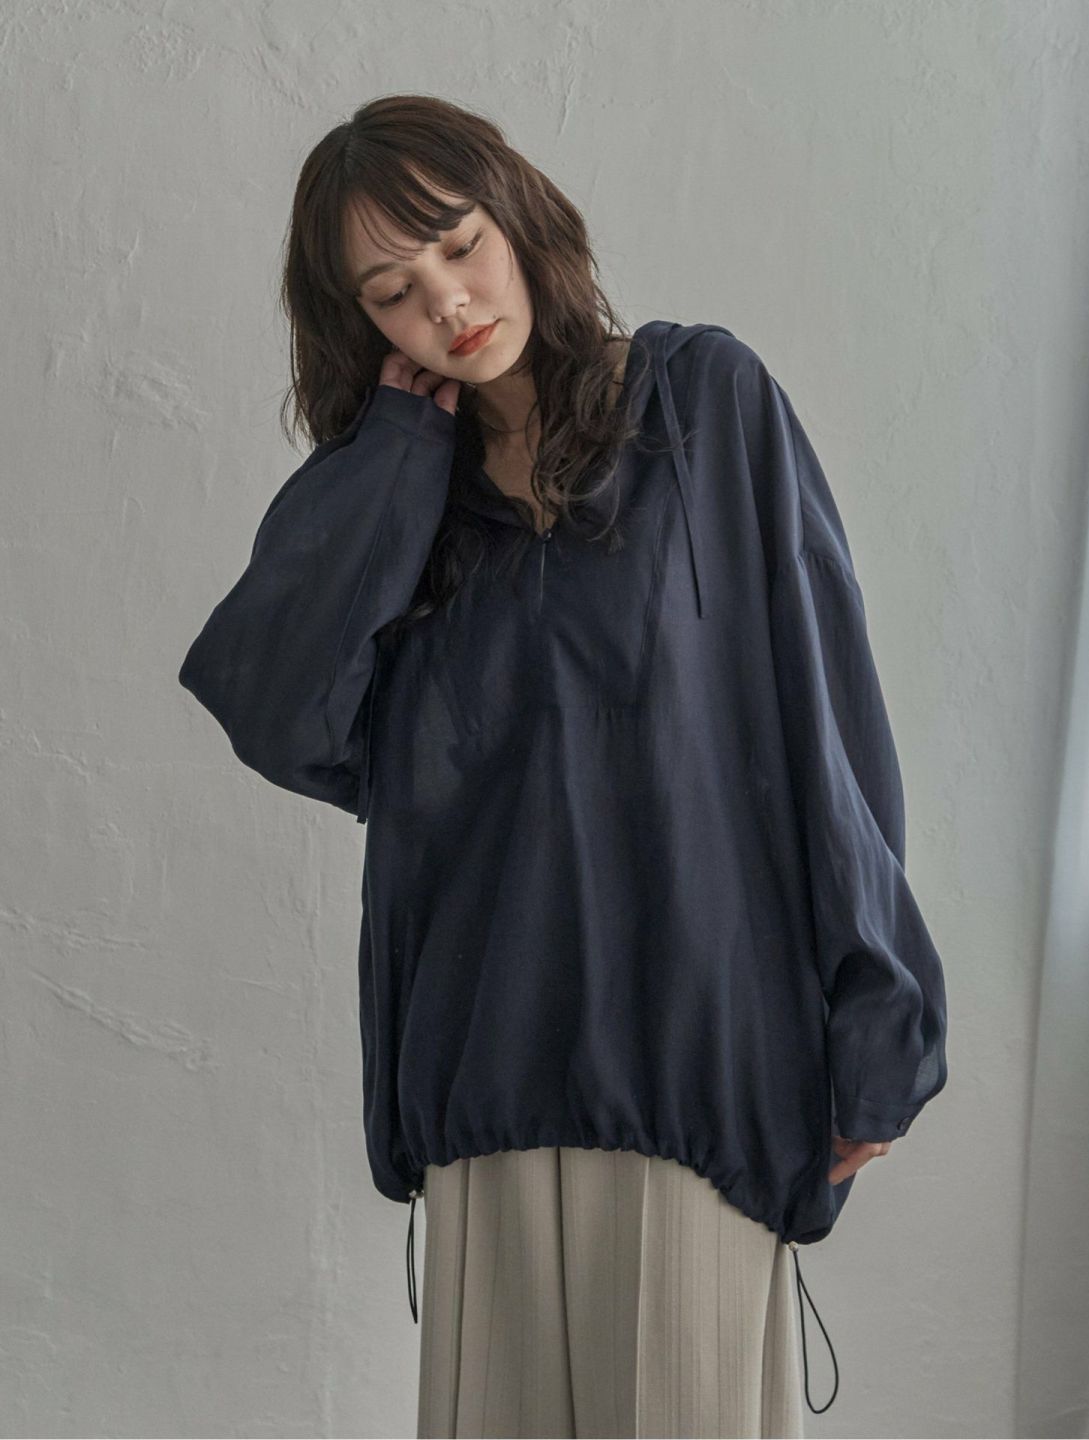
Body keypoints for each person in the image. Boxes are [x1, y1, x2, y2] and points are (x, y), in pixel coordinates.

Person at [178, 93, 949, 1439]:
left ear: (518, 217)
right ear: (360, 322)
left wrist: (880, 1009)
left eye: (460, 246)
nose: (447, 303)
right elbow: (281, 709)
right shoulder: (405, 499)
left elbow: (822, 719)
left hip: (700, 1062)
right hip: (489, 1063)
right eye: (393, 292)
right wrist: (398, 451)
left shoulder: (702, 405)